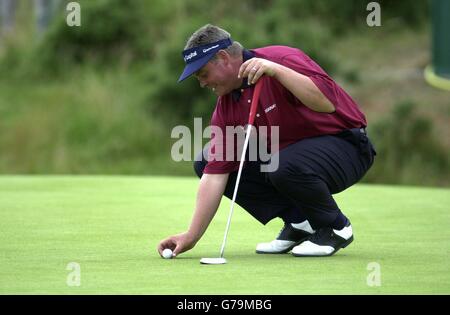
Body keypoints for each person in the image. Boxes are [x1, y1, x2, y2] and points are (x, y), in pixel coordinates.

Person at [158, 24, 376, 258]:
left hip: (348, 147)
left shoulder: (281, 58)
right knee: (207, 161)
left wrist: (277, 71)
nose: (202, 83)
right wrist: (191, 236)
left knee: (282, 164)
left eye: (203, 74)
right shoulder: (227, 105)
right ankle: (300, 222)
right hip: (292, 160)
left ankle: (335, 227)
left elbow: (325, 104)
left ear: (223, 58)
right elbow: (214, 175)